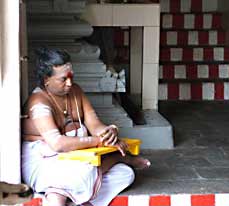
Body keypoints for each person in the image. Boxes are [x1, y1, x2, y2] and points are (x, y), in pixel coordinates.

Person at [21, 47, 151, 206]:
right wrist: (98, 141)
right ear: (46, 80)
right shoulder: (38, 102)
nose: (69, 83)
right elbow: (58, 144)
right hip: (44, 163)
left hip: (76, 159)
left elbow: (95, 124)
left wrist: (108, 132)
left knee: (125, 174)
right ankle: (117, 159)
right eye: (63, 79)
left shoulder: (76, 91)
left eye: (71, 76)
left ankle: (63, 195)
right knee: (85, 172)